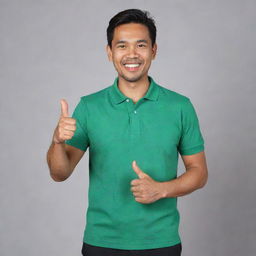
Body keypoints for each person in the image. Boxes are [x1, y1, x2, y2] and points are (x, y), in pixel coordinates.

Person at [46, 8, 208, 256]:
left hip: (161, 242)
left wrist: (161, 189)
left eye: (141, 45)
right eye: (122, 46)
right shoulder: (89, 107)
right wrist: (57, 141)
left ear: (153, 50)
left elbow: (199, 173)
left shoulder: (180, 107)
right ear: (109, 52)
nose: (132, 54)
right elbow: (60, 173)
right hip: (102, 243)